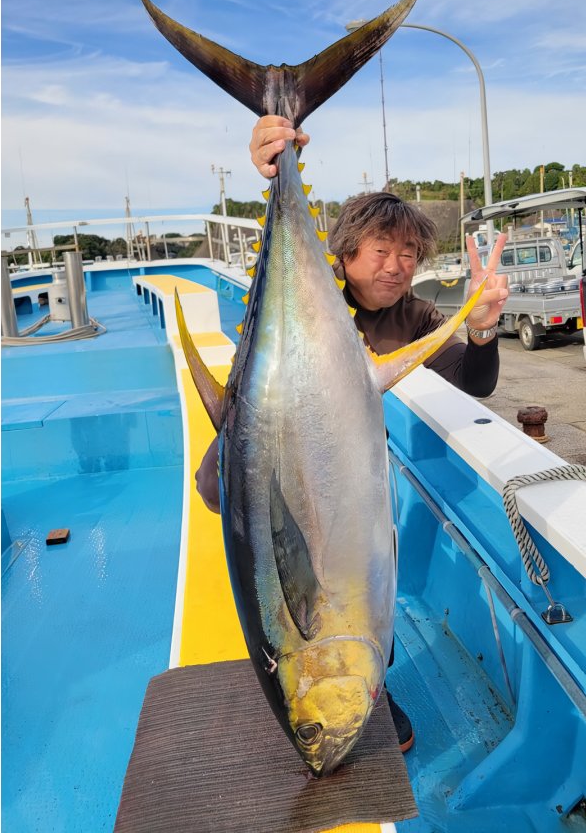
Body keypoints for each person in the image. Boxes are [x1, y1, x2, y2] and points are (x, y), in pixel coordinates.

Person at [197, 115, 510, 752]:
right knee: (212, 484)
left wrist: (479, 326)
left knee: (365, 578)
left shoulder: (414, 315)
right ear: (343, 255)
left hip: (343, 478)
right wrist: (273, 158)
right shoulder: (312, 293)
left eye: (409, 254)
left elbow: (473, 382)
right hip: (287, 439)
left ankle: (375, 679)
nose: (396, 266)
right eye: (380, 251)